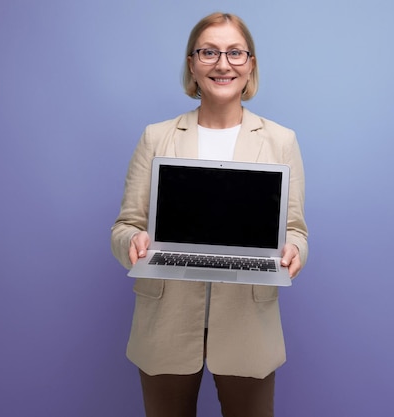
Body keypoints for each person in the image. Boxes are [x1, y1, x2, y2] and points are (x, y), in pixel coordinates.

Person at [111, 11, 308, 417]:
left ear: (250, 64)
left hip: (248, 327)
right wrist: (132, 241)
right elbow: (125, 225)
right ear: (192, 64)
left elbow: (295, 230)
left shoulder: (280, 140)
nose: (223, 64)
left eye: (236, 53)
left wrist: (295, 251)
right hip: (165, 324)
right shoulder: (157, 137)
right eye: (209, 52)